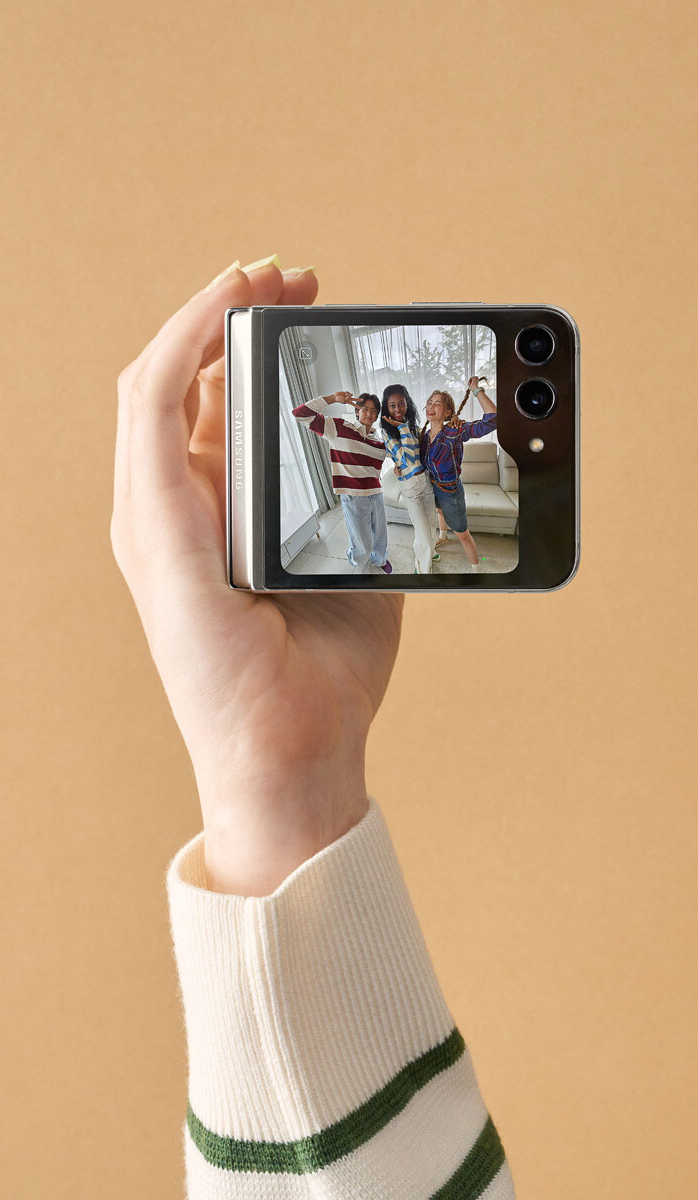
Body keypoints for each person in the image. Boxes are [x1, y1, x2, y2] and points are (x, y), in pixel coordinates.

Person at [110, 257, 516, 1199]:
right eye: (388, 404)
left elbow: (459, 421)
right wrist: (271, 785)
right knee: (389, 534)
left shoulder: (417, 429)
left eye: (397, 405)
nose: (393, 408)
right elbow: (320, 409)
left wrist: (274, 788)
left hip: (404, 492)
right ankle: (428, 546)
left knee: (420, 528)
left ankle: (441, 545)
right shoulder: (362, 424)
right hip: (381, 500)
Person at [292, 389, 392, 574]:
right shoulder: (339, 428)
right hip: (353, 496)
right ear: (357, 411)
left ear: (377, 415)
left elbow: (398, 457)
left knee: (380, 536)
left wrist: (400, 466)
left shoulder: (379, 442)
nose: (369, 413)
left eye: (373, 410)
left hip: (376, 493)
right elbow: (300, 414)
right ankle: (356, 559)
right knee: (362, 543)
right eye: (365, 409)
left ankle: (379, 559)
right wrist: (332, 399)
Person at [421, 377, 498, 572]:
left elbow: (493, 419)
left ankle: (476, 568)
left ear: (447, 412)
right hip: (432, 486)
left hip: (450, 491)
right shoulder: (424, 436)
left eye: (437, 404)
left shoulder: (455, 431)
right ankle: (443, 536)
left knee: (462, 533)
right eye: (429, 402)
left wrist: (476, 389)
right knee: (439, 511)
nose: (431, 406)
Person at [379, 382, 440, 574]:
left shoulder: (414, 426)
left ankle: (431, 552)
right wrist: (403, 428)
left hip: (426, 481)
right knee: (422, 532)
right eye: (392, 405)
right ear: (386, 408)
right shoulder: (387, 432)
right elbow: (409, 458)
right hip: (410, 486)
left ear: (408, 403)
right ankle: (422, 570)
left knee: (431, 525)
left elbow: (424, 454)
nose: (397, 409)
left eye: (401, 403)